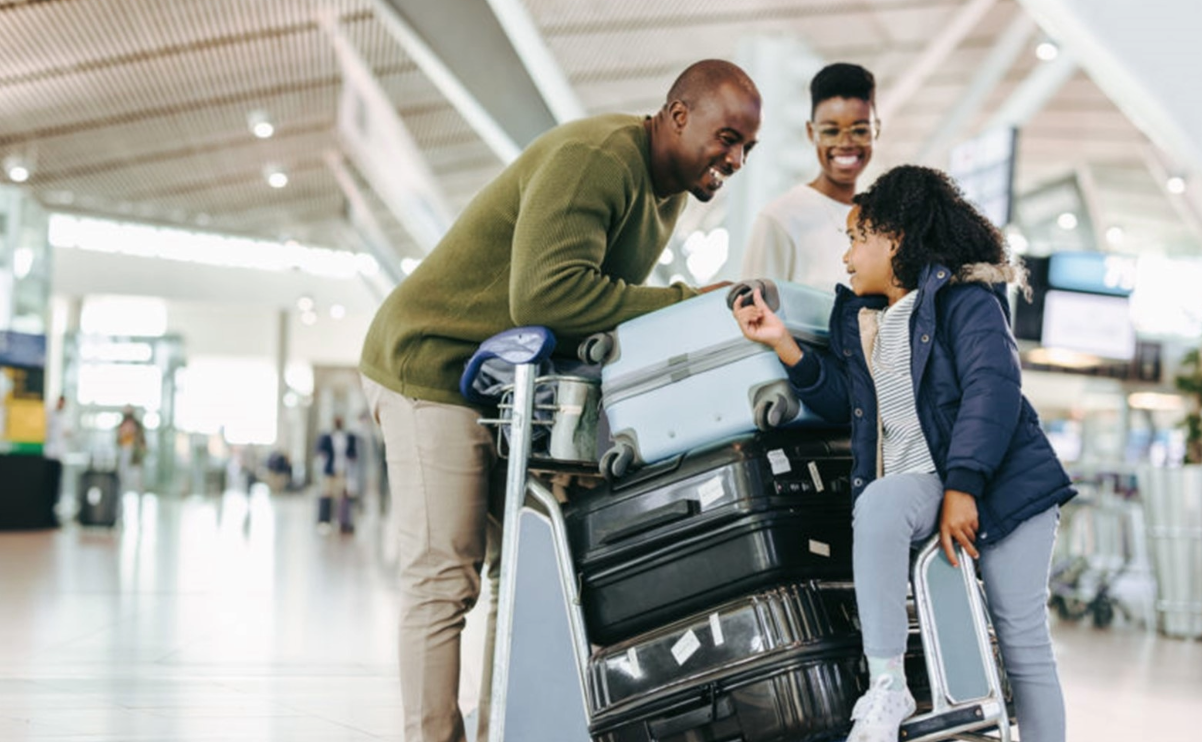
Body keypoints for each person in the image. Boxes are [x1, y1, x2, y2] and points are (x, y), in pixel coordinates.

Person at [360, 59, 762, 742]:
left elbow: (587, 314)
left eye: (747, 147)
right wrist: (685, 302)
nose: (736, 157)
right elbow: (548, 296)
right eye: (727, 137)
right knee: (445, 576)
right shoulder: (598, 158)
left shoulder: (664, 193)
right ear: (677, 115)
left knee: (516, 576)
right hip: (431, 363)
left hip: (502, 385)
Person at [731, 165, 1075, 742]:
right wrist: (783, 343)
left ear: (894, 238)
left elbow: (994, 390)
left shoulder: (968, 301)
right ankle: (886, 686)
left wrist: (964, 487)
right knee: (883, 503)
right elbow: (847, 401)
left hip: (1007, 487)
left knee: (1022, 641)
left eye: (856, 239)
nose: (846, 258)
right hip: (927, 482)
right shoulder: (865, 321)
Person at [741, 63, 878, 290]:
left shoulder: (880, 220)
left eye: (860, 130)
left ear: (876, 131)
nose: (845, 144)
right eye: (831, 131)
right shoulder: (780, 220)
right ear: (810, 132)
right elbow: (751, 314)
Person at [316, 416, 358, 534]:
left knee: (343, 498)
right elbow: (320, 452)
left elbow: (353, 454)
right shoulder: (327, 437)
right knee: (326, 495)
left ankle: (343, 522)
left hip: (343, 471)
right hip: (330, 471)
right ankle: (324, 522)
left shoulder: (348, 437)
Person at [116, 405, 146, 494]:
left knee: (136, 474)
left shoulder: (137, 425)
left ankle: (139, 492)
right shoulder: (121, 424)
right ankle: (121, 492)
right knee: (122, 473)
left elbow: (142, 439)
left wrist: (141, 447)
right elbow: (118, 439)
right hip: (124, 449)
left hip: (134, 451)